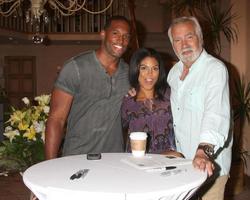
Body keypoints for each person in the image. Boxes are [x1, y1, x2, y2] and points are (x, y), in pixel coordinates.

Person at [45, 16, 131, 159]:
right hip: (77, 156)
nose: (121, 40)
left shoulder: (129, 73)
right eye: (115, 33)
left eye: (126, 36)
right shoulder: (76, 68)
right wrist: (49, 165)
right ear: (103, 34)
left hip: (114, 159)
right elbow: (56, 120)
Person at [167, 16, 232, 200]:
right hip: (183, 164)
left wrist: (203, 151)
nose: (184, 44)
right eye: (177, 40)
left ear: (200, 38)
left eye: (189, 37)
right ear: (173, 45)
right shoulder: (173, 74)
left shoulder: (214, 69)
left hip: (209, 166)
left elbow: (215, 115)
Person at [122, 48, 182, 157]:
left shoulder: (170, 95)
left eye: (155, 68)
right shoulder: (128, 101)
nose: (150, 74)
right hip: (138, 161)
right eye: (144, 68)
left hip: (167, 159)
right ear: (136, 70)